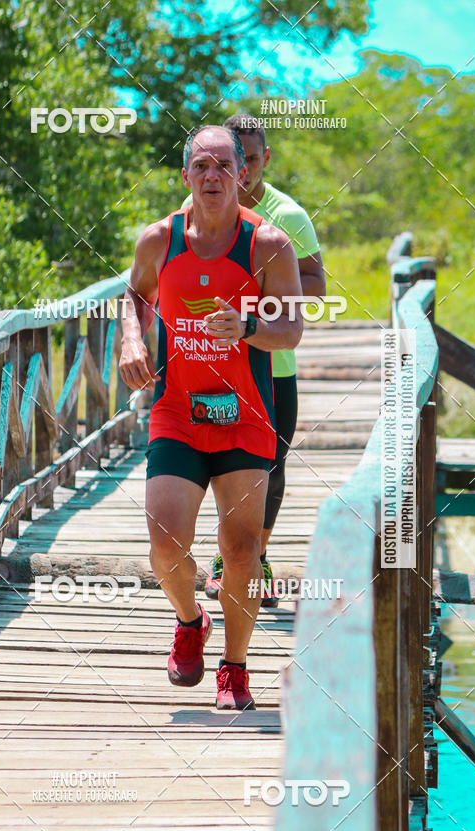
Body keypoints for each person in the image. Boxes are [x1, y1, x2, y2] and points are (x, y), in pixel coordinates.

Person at [119, 125, 303, 710]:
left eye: (225, 166)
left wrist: (250, 326)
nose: (213, 176)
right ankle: (190, 620)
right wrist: (132, 339)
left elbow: (292, 327)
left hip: (245, 413)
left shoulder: (269, 244)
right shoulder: (159, 240)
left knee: (242, 547)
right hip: (177, 409)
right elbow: (134, 296)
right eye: (201, 166)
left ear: (242, 175)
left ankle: (235, 667)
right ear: (186, 177)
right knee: (165, 543)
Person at [182, 115, 326, 607]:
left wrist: (255, 309)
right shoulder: (197, 205)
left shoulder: (289, 217)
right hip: (206, 366)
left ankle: (251, 557)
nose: (239, 175)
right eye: (229, 162)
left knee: (270, 464)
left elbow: (317, 287)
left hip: (271, 367)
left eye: (251, 161)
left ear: (264, 160)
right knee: (212, 464)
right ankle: (228, 558)